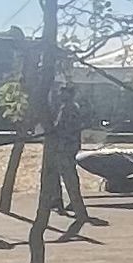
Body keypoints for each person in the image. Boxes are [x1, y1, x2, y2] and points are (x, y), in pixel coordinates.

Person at [38, 83, 88, 238]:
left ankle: (78, 207)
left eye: (63, 92)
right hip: (64, 146)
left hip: (66, 147)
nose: (60, 95)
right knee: (58, 176)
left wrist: (52, 132)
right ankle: (58, 200)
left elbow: (63, 128)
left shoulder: (69, 108)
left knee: (69, 177)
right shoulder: (66, 107)